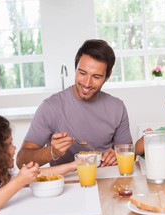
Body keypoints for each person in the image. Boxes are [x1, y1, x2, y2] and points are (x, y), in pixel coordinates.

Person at [16, 39, 133, 168]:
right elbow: (21, 161)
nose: (87, 83)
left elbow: (128, 153)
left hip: (107, 180)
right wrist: (52, 152)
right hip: (67, 183)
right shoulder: (50, 107)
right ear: (75, 69)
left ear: (107, 76)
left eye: (96, 77)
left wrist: (117, 154)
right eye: (82, 73)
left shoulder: (117, 108)